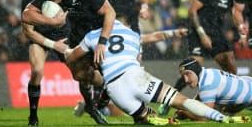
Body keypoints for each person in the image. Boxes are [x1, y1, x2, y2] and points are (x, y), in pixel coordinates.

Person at [64, 20, 242, 125]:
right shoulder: (132, 36)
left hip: (114, 89)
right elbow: (154, 37)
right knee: (182, 101)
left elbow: (72, 58)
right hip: (135, 76)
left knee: (146, 118)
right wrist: (174, 32)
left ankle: (95, 105)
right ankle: (223, 119)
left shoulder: (93, 36)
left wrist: (63, 49)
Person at [21, 0, 116, 124]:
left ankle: (99, 104)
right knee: (79, 74)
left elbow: (110, 12)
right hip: (72, 37)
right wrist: (52, 22)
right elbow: (26, 16)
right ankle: (34, 116)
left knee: (102, 78)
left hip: (95, 33)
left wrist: (102, 41)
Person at [158, 0, 238, 116]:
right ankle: (169, 100)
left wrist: (237, 31)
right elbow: (192, 11)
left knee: (231, 67)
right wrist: (202, 33)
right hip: (198, 31)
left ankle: (229, 103)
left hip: (216, 33)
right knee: (191, 69)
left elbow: (233, 14)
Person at [20, 0, 70, 127]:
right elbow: (28, 32)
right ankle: (33, 117)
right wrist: (52, 45)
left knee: (84, 73)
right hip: (40, 38)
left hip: (63, 36)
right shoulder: (29, 0)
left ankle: (92, 106)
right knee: (37, 70)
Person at [175, 57, 252, 122]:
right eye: (183, 76)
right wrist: (189, 108)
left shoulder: (208, 84)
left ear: (196, 71)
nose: (185, 80)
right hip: (248, 84)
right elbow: (200, 97)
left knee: (218, 112)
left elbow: (205, 118)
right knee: (221, 110)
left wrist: (185, 111)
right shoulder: (208, 73)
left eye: (188, 74)